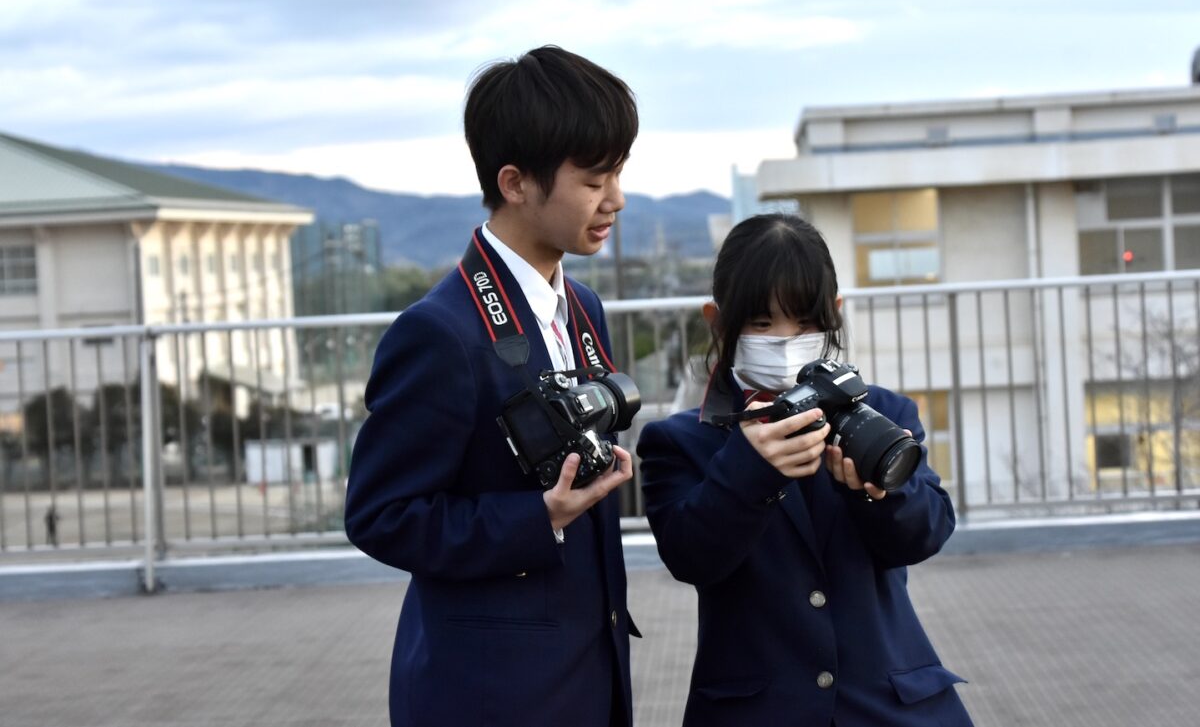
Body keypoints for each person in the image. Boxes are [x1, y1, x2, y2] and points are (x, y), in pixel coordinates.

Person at [344, 45, 639, 727]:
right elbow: (381, 513)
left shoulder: (582, 305)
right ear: (515, 182)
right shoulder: (441, 332)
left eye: (618, 172)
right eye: (595, 178)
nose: (616, 198)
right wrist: (538, 519)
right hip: (488, 692)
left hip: (587, 672)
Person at [637, 213, 973, 727]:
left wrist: (876, 494)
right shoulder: (681, 441)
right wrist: (750, 468)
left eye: (806, 322)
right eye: (761, 323)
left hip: (889, 707)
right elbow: (691, 558)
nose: (787, 340)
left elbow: (925, 533)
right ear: (718, 322)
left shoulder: (883, 413)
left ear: (834, 315)